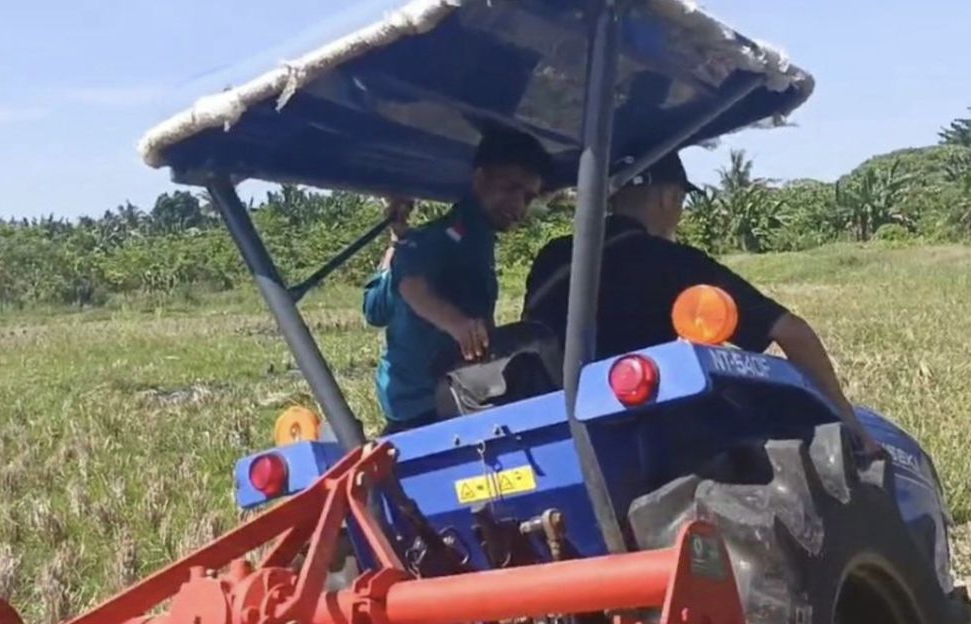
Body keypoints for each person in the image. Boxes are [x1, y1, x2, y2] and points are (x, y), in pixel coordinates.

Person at [522, 151, 882, 455]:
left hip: (554, 432)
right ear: (667, 197)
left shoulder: (551, 258)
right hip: (640, 438)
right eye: (680, 200)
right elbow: (792, 332)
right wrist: (849, 423)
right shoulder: (674, 261)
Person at [363, 127, 554, 434]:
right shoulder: (445, 237)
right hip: (424, 404)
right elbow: (409, 290)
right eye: (510, 188)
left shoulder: (468, 240)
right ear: (480, 178)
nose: (519, 205)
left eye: (528, 197)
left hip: (453, 393)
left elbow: (381, 304)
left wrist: (399, 241)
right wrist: (457, 324)